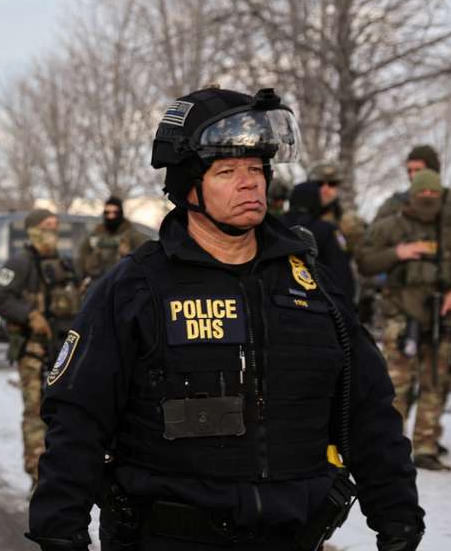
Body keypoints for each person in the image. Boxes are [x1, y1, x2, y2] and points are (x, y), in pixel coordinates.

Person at [27, 87, 424, 551]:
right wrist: (60, 525)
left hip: (294, 538)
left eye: (256, 169)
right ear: (188, 186)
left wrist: (397, 514)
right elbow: (78, 416)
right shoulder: (137, 287)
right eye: (228, 171)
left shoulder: (312, 285)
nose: (250, 183)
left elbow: (369, 408)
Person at [357, 169, 451, 472]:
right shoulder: (391, 227)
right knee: (396, 385)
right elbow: (365, 262)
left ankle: (425, 447)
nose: (428, 200)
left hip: (441, 315)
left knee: (435, 381)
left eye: (434, 195)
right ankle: (391, 446)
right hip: (401, 315)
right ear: (413, 194)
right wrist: (399, 252)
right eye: (423, 194)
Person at [0, 208, 82, 485]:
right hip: (33, 350)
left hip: (63, 350)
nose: (52, 230)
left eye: (55, 225)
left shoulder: (66, 265)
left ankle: (63, 471)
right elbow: (0, 299)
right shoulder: (19, 264)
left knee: (65, 413)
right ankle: (38, 475)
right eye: (46, 225)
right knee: (35, 413)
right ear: (32, 230)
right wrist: (30, 315)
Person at [282, 181, 357, 301]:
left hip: (280, 299)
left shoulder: (273, 225)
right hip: (319, 301)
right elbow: (341, 271)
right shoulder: (326, 229)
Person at [375, 145, 451, 223]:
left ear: (433, 171)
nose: (413, 175)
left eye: (418, 170)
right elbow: (372, 241)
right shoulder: (395, 204)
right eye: (410, 171)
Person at [77, 196, 148, 282]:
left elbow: (144, 257)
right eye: (107, 213)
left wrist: (128, 254)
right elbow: (82, 255)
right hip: (98, 281)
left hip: (123, 281)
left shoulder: (131, 234)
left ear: (120, 213)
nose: (111, 216)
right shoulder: (97, 234)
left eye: (115, 212)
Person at [305, 162, 367, 256]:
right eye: (319, 184)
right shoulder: (295, 218)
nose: (326, 189)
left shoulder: (351, 222)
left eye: (332, 184)